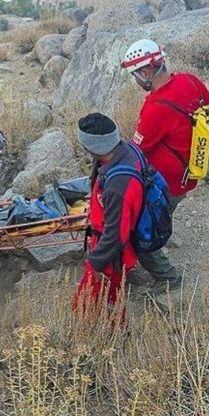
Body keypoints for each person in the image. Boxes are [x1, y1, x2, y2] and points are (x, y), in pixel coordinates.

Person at [120, 39, 209, 292]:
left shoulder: (155, 108)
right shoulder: (189, 80)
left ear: (146, 72)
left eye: (135, 75)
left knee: (139, 231)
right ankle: (160, 231)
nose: (136, 81)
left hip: (163, 183)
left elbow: (136, 150)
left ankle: (167, 277)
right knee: (163, 214)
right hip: (187, 177)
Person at [72, 113, 141, 323]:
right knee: (111, 298)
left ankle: (111, 333)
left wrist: (95, 263)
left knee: (88, 303)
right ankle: (114, 327)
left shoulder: (117, 187)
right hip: (115, 245)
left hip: (112, 255)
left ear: (91, 148)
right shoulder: (127, 151)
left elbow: (116, 236)